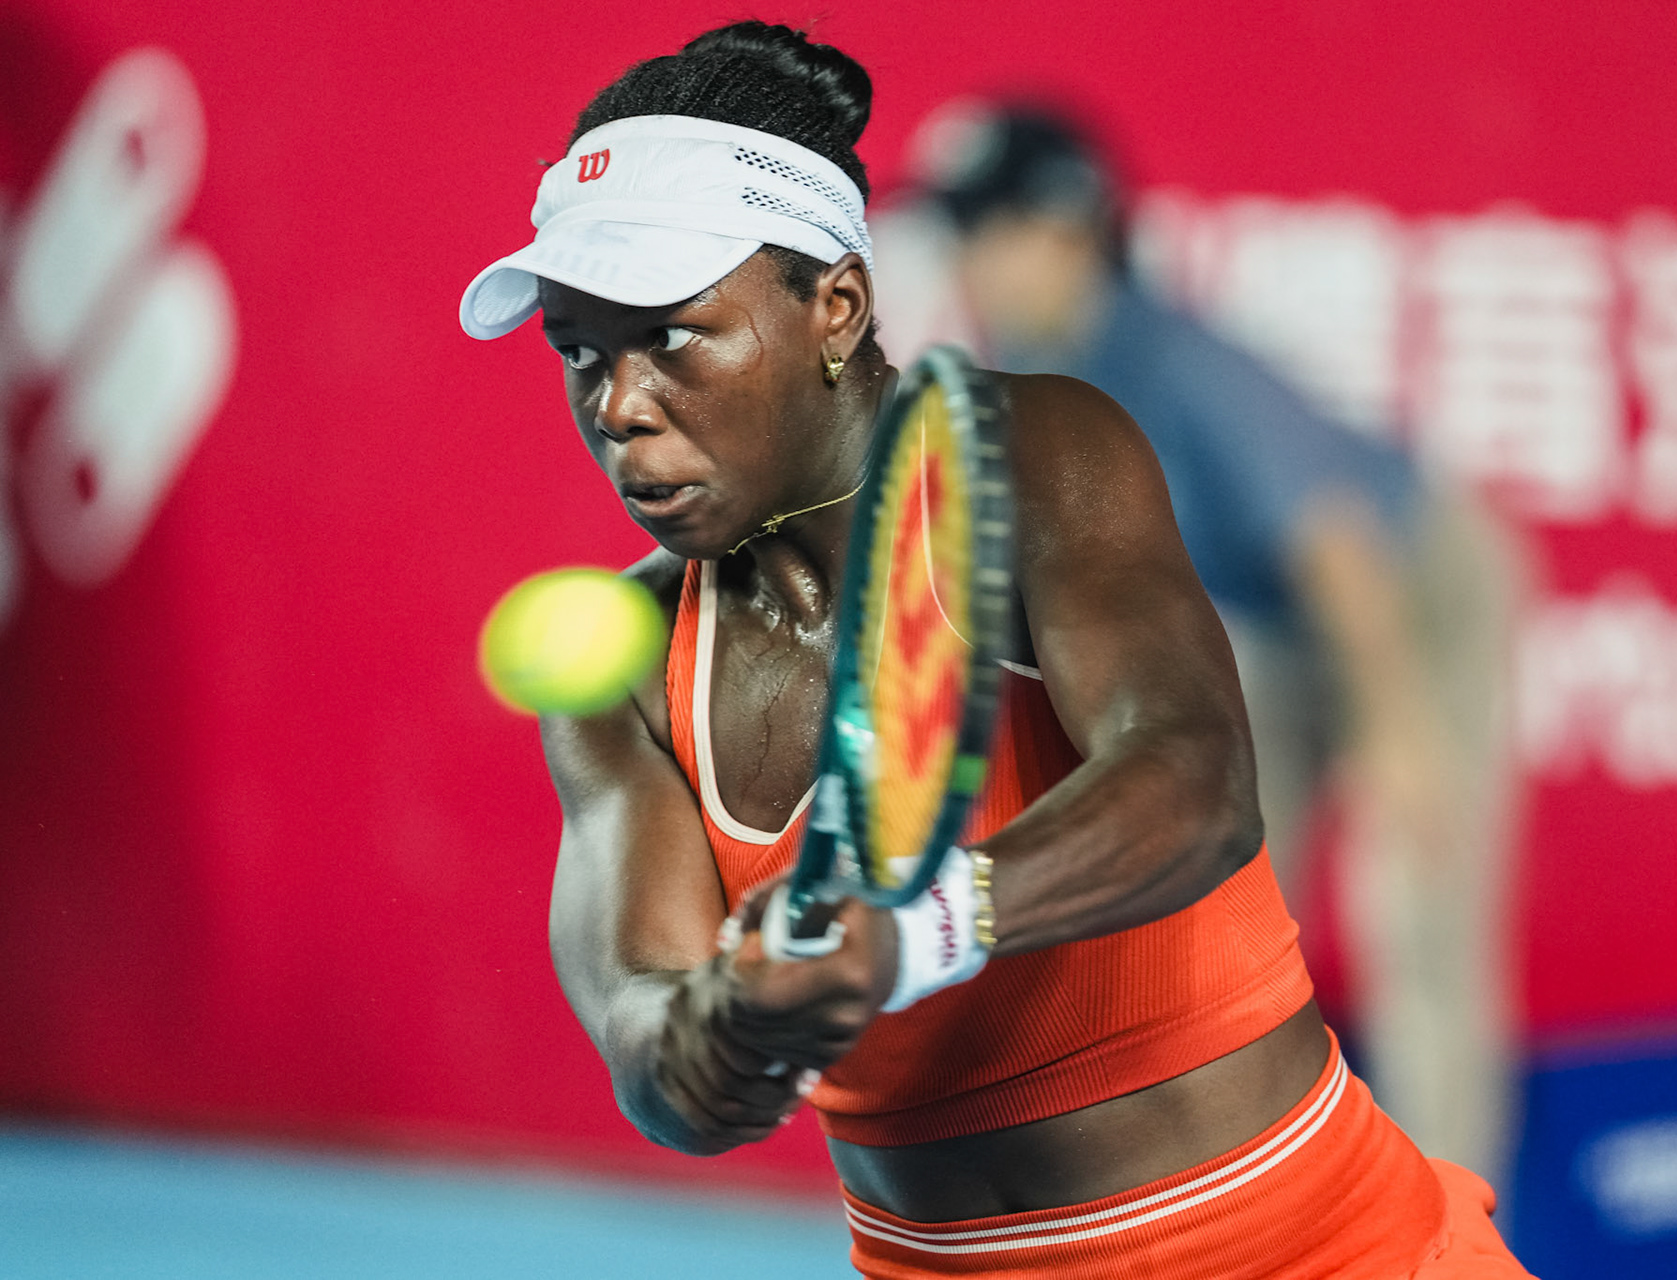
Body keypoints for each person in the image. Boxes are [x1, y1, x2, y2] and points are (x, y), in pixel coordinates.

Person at [459, 22, 1531, 1278]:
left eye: (676, 334)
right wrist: (723, 1037)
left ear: (836, 309)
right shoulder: (628, 671)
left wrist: (914, 931)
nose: (618, 404)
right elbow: (652, 1045)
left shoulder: (1042, 447)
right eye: (579, 350)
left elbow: (1196, 783)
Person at [901, 105, 1524, 1183]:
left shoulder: (1178, 362)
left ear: (1068, 228)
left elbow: (1337, 543)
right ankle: (1235, 1196)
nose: (971, 259)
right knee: (1219, 896)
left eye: (989, 227)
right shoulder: (1022, 359)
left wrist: (1403, 734)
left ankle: (1446, 1223)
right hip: (1264, 625)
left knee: (1416, 922)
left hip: (1410, 598)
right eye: (961, 231)